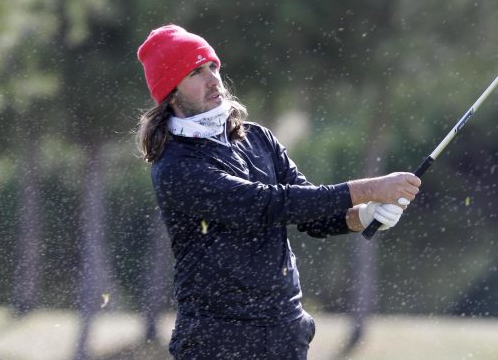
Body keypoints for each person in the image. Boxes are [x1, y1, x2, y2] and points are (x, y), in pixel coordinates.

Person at [136, 24, 421, 359]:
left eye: (213, 66)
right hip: (218, 340)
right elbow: (265, 204)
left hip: (285, 333)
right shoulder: (176, 165)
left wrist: (365, 214)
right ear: (171, 92)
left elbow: (314, 215)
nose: (214, 79)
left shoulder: (257, 139)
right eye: (196, 73)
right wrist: (371, 187)